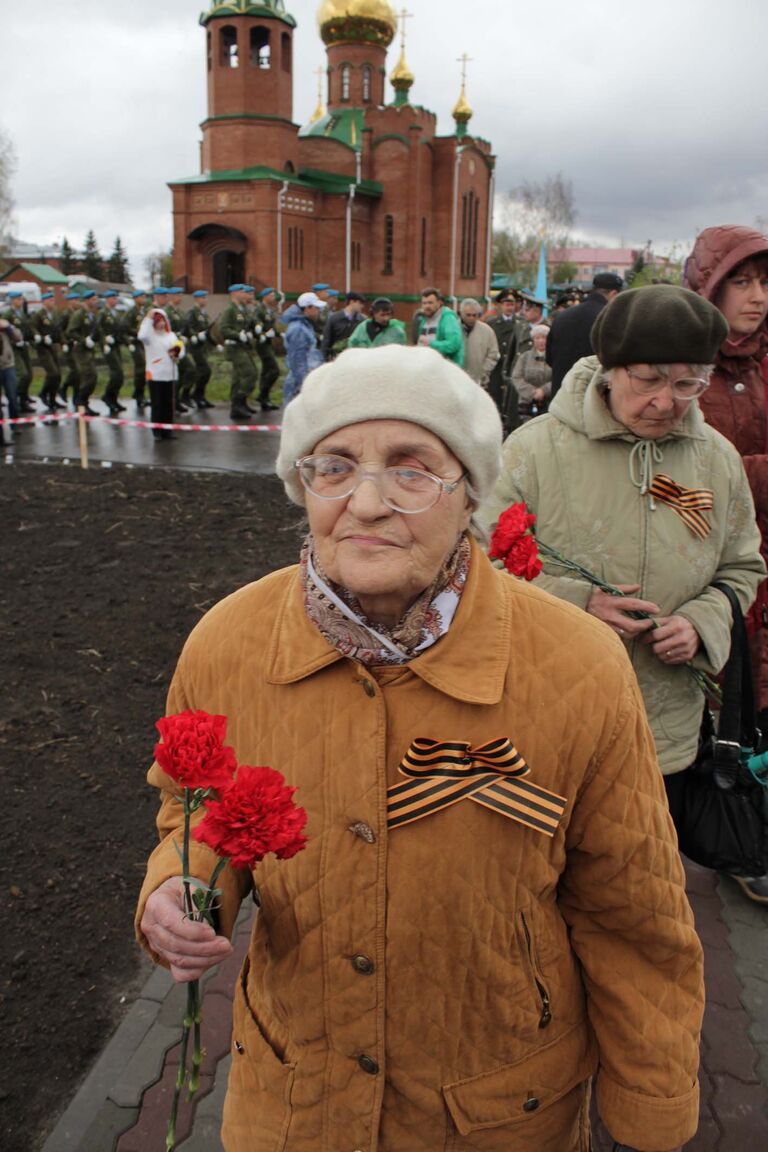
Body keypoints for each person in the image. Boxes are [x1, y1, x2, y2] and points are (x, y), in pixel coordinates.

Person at [138, 342, 704, 1152]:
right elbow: (193, 813)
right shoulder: (227, 644)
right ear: (303, 485)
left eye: (411, 469)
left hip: (499, 1110)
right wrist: (181, 890)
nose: (366, 503)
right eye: (333, 467)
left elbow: (632, 909)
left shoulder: (578, 665)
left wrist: (651, 1104)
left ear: (469, 493)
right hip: (297, 1098)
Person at [482, 285, 765, 799]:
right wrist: (577, 604)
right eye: (648, 379)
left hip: (668, 734)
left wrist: (700, 624)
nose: (665, 401)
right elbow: (477, 565)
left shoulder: (716, 459)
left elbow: (743, 567)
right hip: (549, 720)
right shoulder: (533, 451)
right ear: (610, 369)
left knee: (652, 872)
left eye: (687, 384)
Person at [547, 272, 623, 399]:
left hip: (561, 397)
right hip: (594, 399)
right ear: (613, 294)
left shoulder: (562, 317)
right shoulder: (612, 319)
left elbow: (549, 358)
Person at [138, 306, 184, 441]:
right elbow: (142, 335)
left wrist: (177, 354)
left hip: (170, 374)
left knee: (169, 404)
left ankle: (167, 430)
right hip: (155, 375)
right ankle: (157, 431)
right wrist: (148, 317)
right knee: (157, 403)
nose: (161, 324)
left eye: (162, 320)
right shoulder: (150, 337)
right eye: (158, 321)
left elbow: (180, 347)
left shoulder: (171, 335)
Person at [219, 284, 259, 420]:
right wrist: (237, 335)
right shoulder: (230, 310)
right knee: (250, 373)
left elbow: (247, 325)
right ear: (234, 293)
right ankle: (237, 404)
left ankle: (239, 405)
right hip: (234, 347)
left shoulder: (242, 310)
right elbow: (223, 328)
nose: (245, 294)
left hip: (242, 347)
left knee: (237, 378)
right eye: (242, 292)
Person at [282, 291, 324, 404]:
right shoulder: (299, 329)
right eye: (317, 308)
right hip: (299, 383)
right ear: (308, 308)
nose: (319, 311)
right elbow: (298, 360)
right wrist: (304, 384)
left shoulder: (304, 325)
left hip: (302, 379)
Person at [486, 289, 521, 418]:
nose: (509, 307)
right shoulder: (492, 323)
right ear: (500, 305)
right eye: (506, 304)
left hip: (513, 367)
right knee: (496, 399)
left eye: (512, 304)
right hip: (497, 368)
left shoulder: (520, 324)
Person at [511, 323, 552, 421]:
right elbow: (516, 377)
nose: (541, 341)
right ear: (533, 340)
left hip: (548, 403)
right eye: (537, 338)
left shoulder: (554, 356)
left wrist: (544, 390)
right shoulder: (524, 357)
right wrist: (532, 392)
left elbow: (559, 377)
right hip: (526, 404)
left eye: (544, 338)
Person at [32, 292, 64, 412]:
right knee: (53, 373)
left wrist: (63, 342)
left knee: (58, 375)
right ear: (44, 301)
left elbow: (59, 330)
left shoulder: (54, 314)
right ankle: (43, 392)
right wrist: (39, 336)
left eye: (53, 300)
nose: (52, 302)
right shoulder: (39, 314)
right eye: (50, 300)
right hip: (43, 348)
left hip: (52, 347)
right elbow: (32, 327)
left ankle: (52, 399)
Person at [415, 287, 464, 365]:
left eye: (430, 303)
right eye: (424, 303)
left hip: (447, 369)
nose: (427, 306)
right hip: (428, 367)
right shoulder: (424, 320)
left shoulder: (448, 318)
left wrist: (431, 344)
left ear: (439, 302)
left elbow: (454, 345)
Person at [4, 291, 34, 412]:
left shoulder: (22, 313)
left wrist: (30, 340)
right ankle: (16, 398)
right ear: (12, 300)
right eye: (18, 299)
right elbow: (5, 333)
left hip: (24, 347)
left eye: (21, 299)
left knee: (29, 375)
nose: (20, 301)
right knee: (23, 374)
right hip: (13, 349)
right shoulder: (8, 314)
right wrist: (14, 342)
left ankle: (23, 400)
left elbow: (27, 328)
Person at [184, 289, 215, 410]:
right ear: (197, 299)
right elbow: (189, 326)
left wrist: (213, 342)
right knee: (205, 371)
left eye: (206, 298)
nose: (205, 300)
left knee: (203, 372)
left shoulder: (204, 313)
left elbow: (208, 330)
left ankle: (199, 395)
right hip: (195, 346)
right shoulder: (192, 312)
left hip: (203, 346)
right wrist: (195, 335)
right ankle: (191, 394)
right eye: (203, 298)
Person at [459, 297, 499, 389]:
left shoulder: (487, 331)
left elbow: (493, 354)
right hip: (456, 379)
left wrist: (484, 372)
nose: (471, 318)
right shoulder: (453, 330)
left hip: (479, 382)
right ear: (461, 314)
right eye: (468, 315)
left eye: (474, 315)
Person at [99, 290, 127, 416]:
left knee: (119, 375)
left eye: (116, 298)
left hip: (116, 345)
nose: (115, 301)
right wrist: (104, 341)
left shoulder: (115, 313)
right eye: (113, 298)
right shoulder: (103, 313)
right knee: (117, 373)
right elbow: (97, 329)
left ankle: (113, 399)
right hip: (108, 347)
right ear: (107, 299)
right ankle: (107, 396)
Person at [254, 287, 281, 411]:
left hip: (268, 343)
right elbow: (256, 324)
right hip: (262, 344)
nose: (273, 297)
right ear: (264, 296)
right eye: (271, 295)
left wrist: (278, 334)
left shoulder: (268, 310)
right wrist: (263, 335)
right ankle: (262, 395)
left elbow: (271, 325)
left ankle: (264, 399)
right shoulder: (259, 309)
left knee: (266, 371)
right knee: (274, 370)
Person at [321, 291, 366, 360]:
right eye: (360, 303)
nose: (362, 306)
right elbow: (327, 340)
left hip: (356, 358)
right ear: (351, 302)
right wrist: (325, 358)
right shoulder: (334, 318)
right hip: (337, 358)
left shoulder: (362, 320)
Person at [0, 315, 21, 444]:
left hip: (8, 366)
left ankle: (15, 423)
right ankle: (1, 437)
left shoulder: (4, 324)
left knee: (12, 396)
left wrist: (8, 328)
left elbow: (18, 337)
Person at [128, 289, 150, 409]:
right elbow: (124, 327)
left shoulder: (144, 311)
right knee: (140, 369)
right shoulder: (131, 312)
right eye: (141, 297)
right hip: (135, 343)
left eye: (144, 296)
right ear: (135, 298)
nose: (144, 299)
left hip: (143, 344)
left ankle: (140, 394)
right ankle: (139, 396)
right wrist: (135, 333)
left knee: (144, 370)